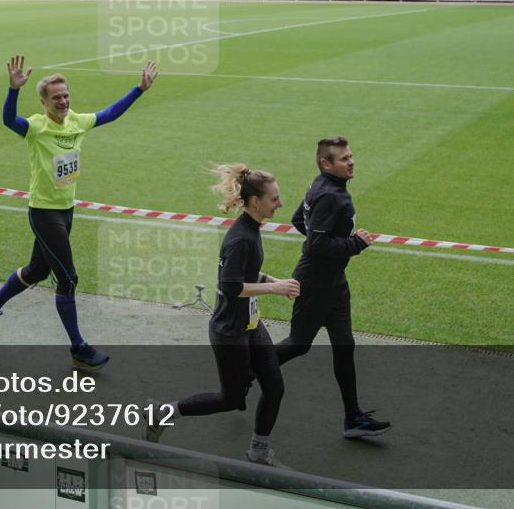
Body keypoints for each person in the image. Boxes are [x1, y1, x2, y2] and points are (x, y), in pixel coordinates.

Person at [0, 55, 158, 371]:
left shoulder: (77, 121)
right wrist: (13, 90)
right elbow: (8, 120)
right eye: (56, 97)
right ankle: (78, 348)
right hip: (44, 213)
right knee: (68, 279)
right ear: (44, 101)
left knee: (35, 272)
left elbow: (110, 114)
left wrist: (139, 89)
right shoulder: (36, 127)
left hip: (66, 211)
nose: (63, 101)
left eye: (66, 95)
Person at [142, 165, 300, 467]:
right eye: (274, 198)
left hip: (250, 326)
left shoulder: (251, 229)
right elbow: (229, 286)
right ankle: (162, 413)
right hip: (231, 332)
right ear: (256, 202)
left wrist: (274, 281)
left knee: (275, 387)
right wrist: (275, 289)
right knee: (232, 399)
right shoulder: (242, 238)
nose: (279, 203)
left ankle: (258, 451)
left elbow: (246, 273)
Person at [275, 136, 391, 438]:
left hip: (335, 283)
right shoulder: (331, 196)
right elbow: (315, 243)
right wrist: (355, 243)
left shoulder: (322, 186)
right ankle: (245, 370)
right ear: (326, 163)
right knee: (299, 344)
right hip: (314, 284)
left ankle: (353, 418)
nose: (351, 162)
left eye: (351, 156)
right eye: (344, 159)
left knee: (345, 345)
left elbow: (297, 219)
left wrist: (334, 244)